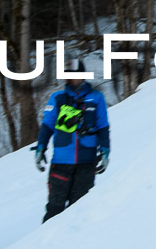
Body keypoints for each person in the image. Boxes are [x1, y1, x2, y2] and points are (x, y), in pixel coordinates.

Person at [35, 58, 110, 223]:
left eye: (75, 75)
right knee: (55, 209)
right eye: (68, 75)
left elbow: (103, 126)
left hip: (86, 163)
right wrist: (41, 147)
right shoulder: (57, 98)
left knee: (79, 210)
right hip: (61, 163)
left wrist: (105, 151)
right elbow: (47, 125)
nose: (71, 78)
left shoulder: (96, 98)